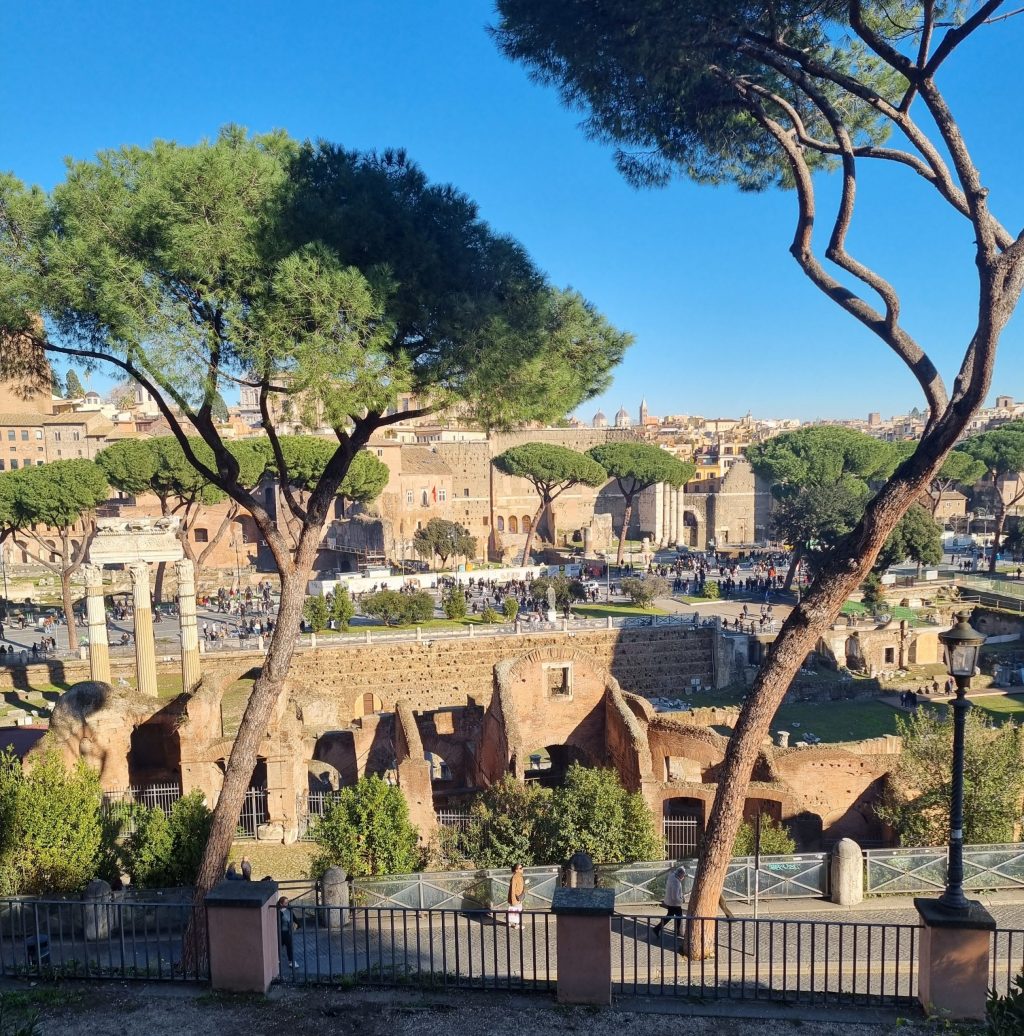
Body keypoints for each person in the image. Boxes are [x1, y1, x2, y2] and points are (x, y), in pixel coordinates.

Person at [652, 866, 686, 938]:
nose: (683, 877)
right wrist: (682, 900)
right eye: (683, 875)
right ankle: (677, 933)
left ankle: (657, 929)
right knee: (679, 917)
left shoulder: (672, 876)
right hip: (674, 903)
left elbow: (672, 872)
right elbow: (675, 897)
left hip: (669, 901)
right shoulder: (676, 883)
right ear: (680, 874)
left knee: (669, 916)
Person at [278, 896, 296, 968]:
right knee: (278, 947)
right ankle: (277, 960)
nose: (287, 904)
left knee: (289, 947)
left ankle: (291, 961)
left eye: (288, 902)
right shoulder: (278, 911)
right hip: (280, 932)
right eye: (285, 903)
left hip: (287, 932)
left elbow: (295, 920)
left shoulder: (289, 910)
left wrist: (295, 926)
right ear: (281, 904)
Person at [507, 863, 525, 929]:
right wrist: (513, 899)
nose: (522, 869)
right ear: (516, 870)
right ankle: (517, 924)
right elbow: (512, 889)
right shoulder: (515, 877)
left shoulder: (520, 876)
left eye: (522, 867)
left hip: (519, 897)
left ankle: (511, 922)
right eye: (520, 868)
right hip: (516, 897)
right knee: (517, 910)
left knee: (516, 910)